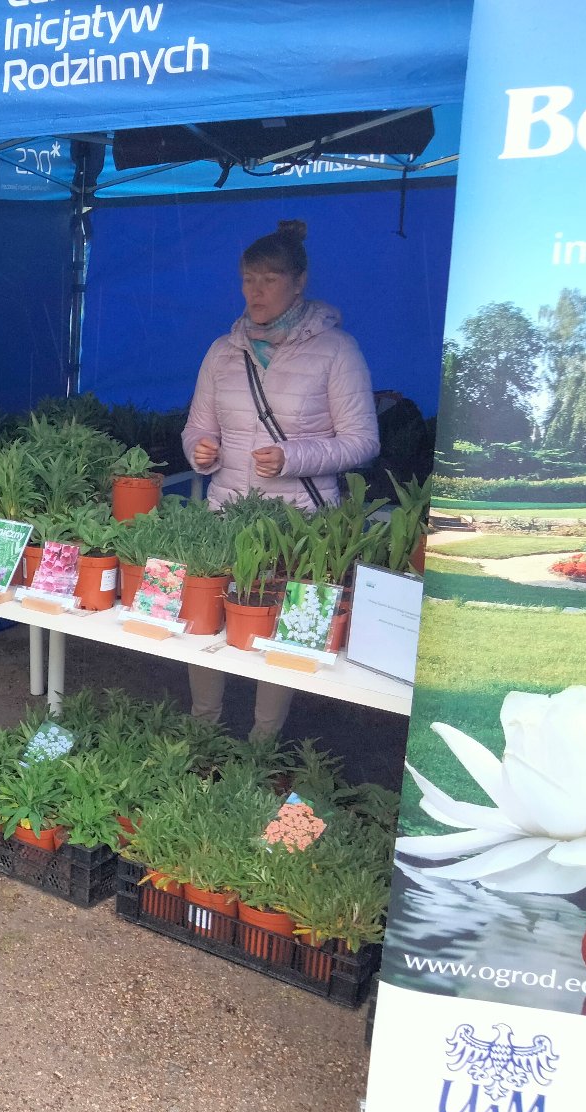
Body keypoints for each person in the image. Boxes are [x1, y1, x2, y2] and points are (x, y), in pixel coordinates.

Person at [181, 219, 379, 741]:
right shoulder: (222, 351)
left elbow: (364, 441)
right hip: (225, 511)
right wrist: (200, 450)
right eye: (249, 279)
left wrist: (293, 457)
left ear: (299, 282)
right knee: (209, 619)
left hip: (303, 522)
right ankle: (204, 734)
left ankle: (262, 744)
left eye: (269, 279)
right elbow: (198, 425)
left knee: (285, 632)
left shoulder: (338, 350)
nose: (256, 291)